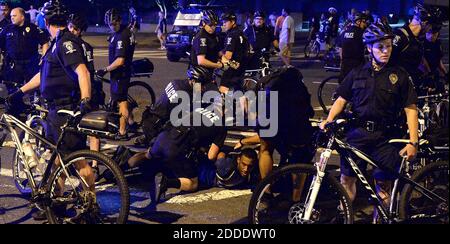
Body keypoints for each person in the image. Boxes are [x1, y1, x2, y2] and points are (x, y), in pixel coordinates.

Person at [320, 22, 419, 222]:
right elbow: (341, 100)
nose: (385, 51)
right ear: (369, 48)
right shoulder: (357, 73)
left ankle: (378, 220)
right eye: (380, 47)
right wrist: (328, 121)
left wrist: (413, 142)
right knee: (346, 180)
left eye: (389, 46)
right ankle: (345, 217)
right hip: (357, 135)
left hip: (385, 138)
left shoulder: (399, 75)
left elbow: (411, 109)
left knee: (383, 187)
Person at [7, 0, 95, 220]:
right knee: (58, 161)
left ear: (46, 21)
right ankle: (56, 205)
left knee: (77, 160)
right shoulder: (56, 44)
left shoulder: (66, 43)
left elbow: (82, 72)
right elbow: (42, 77)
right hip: (55, 111)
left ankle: (90, 204)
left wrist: (85, 102)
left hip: (65, 110)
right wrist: (19, 92)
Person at [68, 13, 105, 168]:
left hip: (83, 91)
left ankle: (93, 164)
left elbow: (83, 72)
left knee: (89, 128)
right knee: (90, 128)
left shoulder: (74, 47)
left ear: (80, 30)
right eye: (70, 27)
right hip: (91, 89)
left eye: (75, 28)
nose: (72, 31)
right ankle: (92, 164)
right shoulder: (86, 46)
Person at [97, 8, 136, 139]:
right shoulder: (119, 33)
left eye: (114, 24)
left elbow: (120, 60)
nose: (112, 27)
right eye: (109, 24)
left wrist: (105, 69)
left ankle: (122, 132)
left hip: (120, 74)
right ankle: (131, 122)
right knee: (120, 98)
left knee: (122, 102)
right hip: (118, 74)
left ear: (119, 21)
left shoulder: (122, 36)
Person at [0, 8, 50, 93]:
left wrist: (44, 58)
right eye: (11, 16)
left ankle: (34, 104)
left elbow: (45, 42)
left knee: (34, 90)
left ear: (22, 17)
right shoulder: (7, 29)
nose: (12, 18)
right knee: (13, 90)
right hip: (14, 66)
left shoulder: (32, 28)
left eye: (14, 16)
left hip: (30, 65)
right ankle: (15, 104)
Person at [391, 3, 437, 90]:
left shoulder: (417, 39)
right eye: (430, 26)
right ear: (424, 23)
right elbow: (389, 64)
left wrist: (428, 75)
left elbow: (417, 60)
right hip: (398, 87)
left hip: (411, 86)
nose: (430, 29)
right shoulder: (400, 36)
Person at [219, 11, 249, 94]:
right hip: (241, 67)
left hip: (232, 67)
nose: (223, 24)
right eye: (223, 22)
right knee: (239, 92)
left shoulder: (231, 35)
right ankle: (243, 107)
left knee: (223, 91)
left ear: (233, 22)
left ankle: (226, 106)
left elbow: (228, 56)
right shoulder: (241, 33)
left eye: (225, 22)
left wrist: (218, 58)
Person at [337, 12, 368, 81]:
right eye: (364, 22)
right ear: (358, 22)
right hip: (357, 64)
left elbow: (340, 48)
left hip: (345, 64)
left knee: (343, 86)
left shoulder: (344, 31)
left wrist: (342, 60)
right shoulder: (361, 33)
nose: (365, 24)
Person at [190, 10, 223, 74]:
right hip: (199, 73)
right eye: (210, 25)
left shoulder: (213, 35)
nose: (213, 28)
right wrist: (218, 65)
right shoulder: (201, 37)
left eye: (215, 25)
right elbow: (201, 61)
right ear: (203, 23)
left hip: (209, 71)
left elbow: (217, 52)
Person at [423, 24, 447, 93]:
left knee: (441, 90)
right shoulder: (422, 43)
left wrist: (445, 74)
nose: (432, 36)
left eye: (435, 35)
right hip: (424, 73)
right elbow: (422, 61)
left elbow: (439, 61)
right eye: (430, 33)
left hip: (434, 72)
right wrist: (429, 73)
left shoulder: (437, 44)